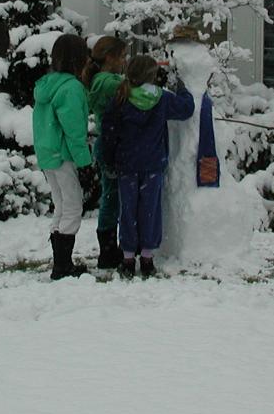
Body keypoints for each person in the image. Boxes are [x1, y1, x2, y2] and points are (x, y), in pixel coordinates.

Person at [99, 55, 194, 278]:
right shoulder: (162, 99)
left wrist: (109, 159)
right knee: (150, 210)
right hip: (153, 164)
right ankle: (148, 258)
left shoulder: (121, 98)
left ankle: (128, 258)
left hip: (127, 165)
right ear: (153, 75)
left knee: (128, 210)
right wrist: (181, 87)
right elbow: (187, 108)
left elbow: (109, 132)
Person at [32, 33, 93, 280]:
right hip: (65, 155)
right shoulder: (72, 89)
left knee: (61, 205)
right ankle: (63, 266)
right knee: (73, 206)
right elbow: (74, 131)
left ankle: (61, 262)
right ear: (79, 58)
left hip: (48, 154)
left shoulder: (46, 85)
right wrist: (85, 163)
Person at [85, 36, 127, 269]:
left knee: (112, 196)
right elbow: (131, 89)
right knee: (111, 199)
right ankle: (108, 251)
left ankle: (110, 249)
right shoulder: (105, 82)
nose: (124, 62)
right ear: (109, 57)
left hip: (110, 144)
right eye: (122, 57)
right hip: (110, 146)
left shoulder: (106, 79)